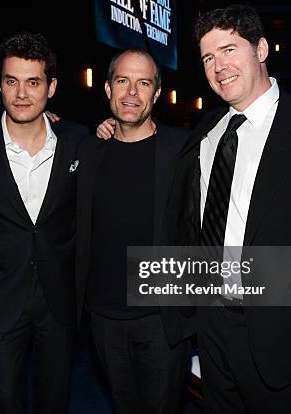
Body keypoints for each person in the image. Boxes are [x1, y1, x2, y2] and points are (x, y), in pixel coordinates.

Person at [166, 4, 291, 413]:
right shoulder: (205, 132)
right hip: (211, 326)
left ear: (261, 49)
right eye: (208, 57)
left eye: (229, 50)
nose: (218, 66)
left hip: (284, 338)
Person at [0, 32, 87, 413]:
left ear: (52, 87)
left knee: (55, 398)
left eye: (33, 82)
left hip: (59, 298)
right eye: (12, 81)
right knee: (4, 399)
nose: (22, 93)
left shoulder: (80, 141)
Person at [75, 48, 191, 413]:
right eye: (123, 81)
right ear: (107, 88)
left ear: (157, 94)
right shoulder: (89, 149)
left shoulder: (183, 149)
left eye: (143, 83)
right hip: (104, 315)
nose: (131, 93)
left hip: (162, 317)